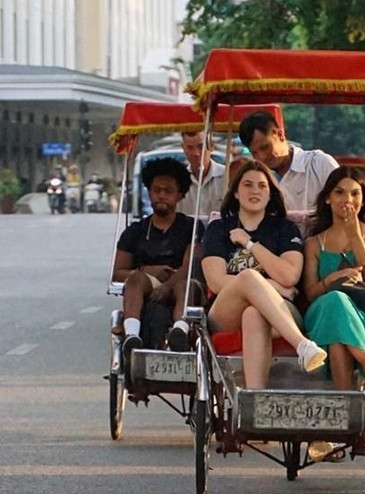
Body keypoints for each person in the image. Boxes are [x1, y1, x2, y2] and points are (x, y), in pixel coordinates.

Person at [201, 160, 327, 389]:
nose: (255, 191)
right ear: (236, 193)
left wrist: (249, 244)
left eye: (262, 186)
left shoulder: (284, 229)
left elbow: (289, 276)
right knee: (249, 277)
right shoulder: (218, 229)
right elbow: (217, 281)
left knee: (253, 313)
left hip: (281, 310)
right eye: (247, 185)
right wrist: (270, 286)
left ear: (270, 195)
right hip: (226, 309)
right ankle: (302, 346)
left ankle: (254, 397)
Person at [302, 166, 365, 392]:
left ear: (363, 198)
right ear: (328, 199)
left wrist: (355, 235)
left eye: (355, 193)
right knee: (335, 300)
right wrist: (333, 278)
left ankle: (346, 409)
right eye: (339, 192)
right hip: (321, 311)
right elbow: (311, 293)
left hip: (364, 315)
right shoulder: (315, 243)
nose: (347, 199)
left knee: (338, 340)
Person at [114, 157, 204, 355]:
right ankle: (132, 335)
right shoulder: (135, 231)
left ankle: (180, 331)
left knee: (185, 284)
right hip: (147, 283)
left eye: (168, 191)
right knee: (135, 279)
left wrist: (167, 285)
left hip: (180, 280)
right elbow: (117, 273)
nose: (161, 195)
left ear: (179, 195)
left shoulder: (191, 227)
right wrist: (145, 270)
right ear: (149, 192)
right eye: (156, 190)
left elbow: (191, 264)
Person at [239, 111, 339, 232]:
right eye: (254, 153)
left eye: (265, 147)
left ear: (280, 135)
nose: (262, 157)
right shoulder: (256, 180)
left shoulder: (319, 164)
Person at [178, 131, 226, 217]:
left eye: (201, 147)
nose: (196, 153)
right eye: (190, 148)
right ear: (183, 148)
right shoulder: (178, 181)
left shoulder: (226, 176)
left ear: (211, 145)